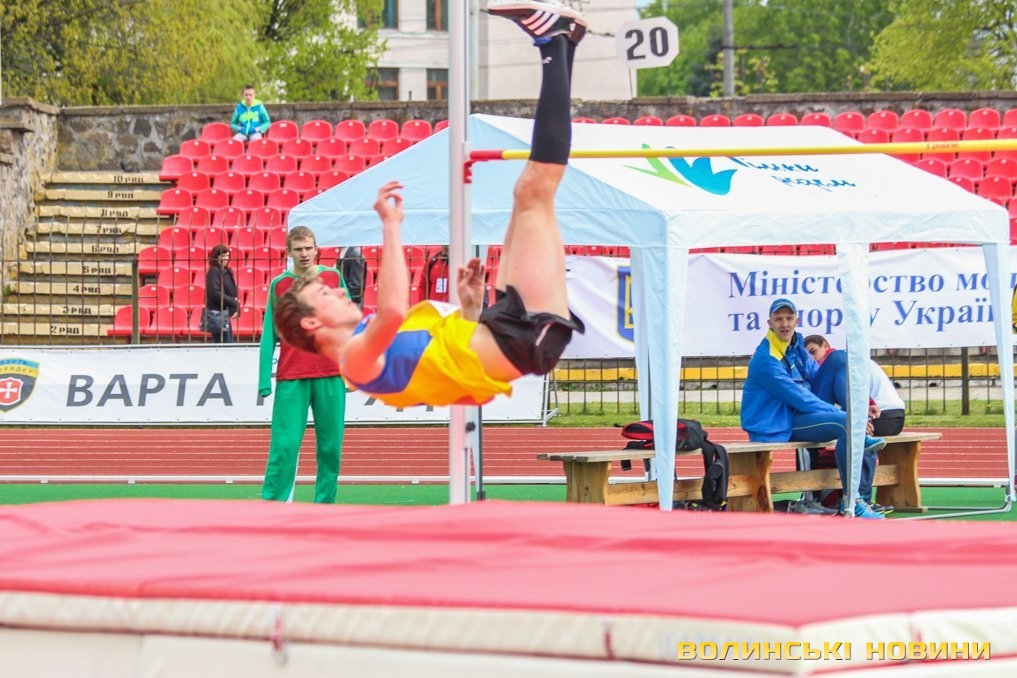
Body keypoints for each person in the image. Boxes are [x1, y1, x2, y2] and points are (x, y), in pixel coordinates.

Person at [272, 2, 587, 409]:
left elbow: (448, 366)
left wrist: (469, 308)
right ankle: (553, 42)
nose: (338, 292)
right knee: (534, 192)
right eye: (325, 294)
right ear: (312, 322)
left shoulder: (367, 342)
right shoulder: (354, 359)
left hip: (499, 328)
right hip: (522, 338)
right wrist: (390, 226)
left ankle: (564, 42)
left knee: (526, 195)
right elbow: (392, 311)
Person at [740, 298, 886, 519]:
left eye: (789, 318)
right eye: (778, 319)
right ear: (769, 323)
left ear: (797, 321)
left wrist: (865, 404)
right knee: (846, 424)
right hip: (780, 422)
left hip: (798, 412)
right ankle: (851, 501)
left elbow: (820, 377)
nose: (784, 324)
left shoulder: (796, 346)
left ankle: (859, 430)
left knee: (838, 358)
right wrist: (847, 416)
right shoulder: (766, 359)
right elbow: (799, 399)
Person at [258, 226, 349, 504]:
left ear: (316, 248)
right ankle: (273, 505)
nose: (304, 253)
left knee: (330, 449)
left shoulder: (333, 278)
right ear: (289, 252)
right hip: (292, 376)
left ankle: (325, 506)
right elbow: (269, 333)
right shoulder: (279, 285)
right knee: (284, 447)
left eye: (308, 248)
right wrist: (264, 379)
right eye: (298, 249)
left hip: (330, 374)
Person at [804, 334, 906, 513]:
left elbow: (854, 394)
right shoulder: (842, 361)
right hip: (889, 412)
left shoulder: (837, 362)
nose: (812, 359)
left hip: (886, 413)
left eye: (814, 352)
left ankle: (863, 499)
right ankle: (846, 496)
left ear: (825, 345)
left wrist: (861, 415)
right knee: (853, 433)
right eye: (808, 356)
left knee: (858, 437)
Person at [204, 244, 239, 343]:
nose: (226, 259)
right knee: (223, 344)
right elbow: (214, 293)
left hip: (225, 313)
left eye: (227, 256)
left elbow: (233, 291)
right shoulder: (214, 271)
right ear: (216, 257)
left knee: (227, 343)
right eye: (223, 256)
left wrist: (236, 306)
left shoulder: (227, 271)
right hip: (217, 314)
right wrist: (233, 301)